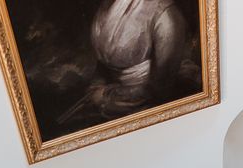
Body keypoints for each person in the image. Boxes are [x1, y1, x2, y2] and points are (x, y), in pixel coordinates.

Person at [57, 0, 199, 128]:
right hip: (110, 98)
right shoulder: (106, 7)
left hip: (149, 107)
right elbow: (104, 63)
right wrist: (96, 85)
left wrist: (107, 97)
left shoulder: (164, 13)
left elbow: (160, 89)